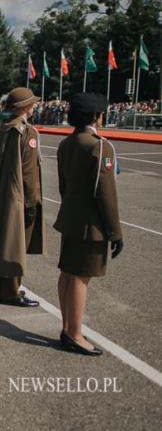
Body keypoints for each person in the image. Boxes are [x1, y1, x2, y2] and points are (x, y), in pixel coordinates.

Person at [54, 93, 123, 356]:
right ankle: (74, 333)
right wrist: (115, 231)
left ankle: (67, 327)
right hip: (91, 224)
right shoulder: (99, 146)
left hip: (71, 217)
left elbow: (63, 186)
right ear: (96, 116)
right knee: (81, 277)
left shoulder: (66, 144)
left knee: (68, 274)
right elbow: (106, 194)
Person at [0, 87, 44, 307]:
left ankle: (4, 286)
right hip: (18, 197)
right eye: (31, 103)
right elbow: (29, 173)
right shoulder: (26, 132)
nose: (34, 106)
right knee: (15, 245)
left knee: (3, 240)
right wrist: (32, 201)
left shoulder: (4, 129)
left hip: (1, 193)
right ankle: (11, 291)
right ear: (23, 107)